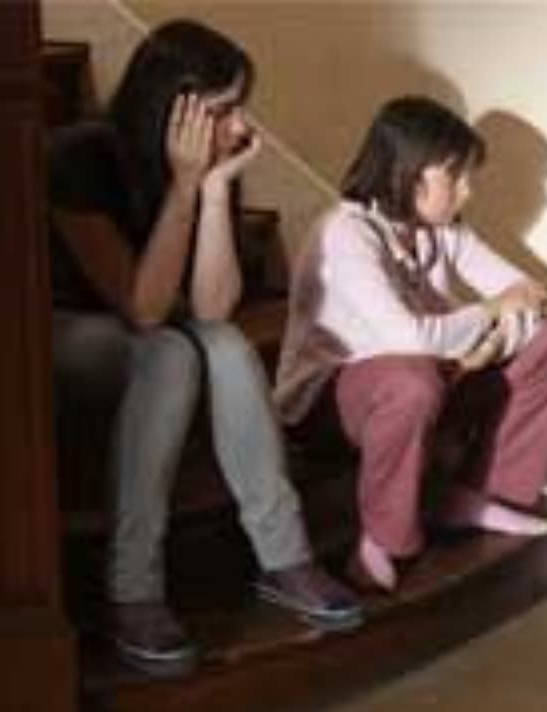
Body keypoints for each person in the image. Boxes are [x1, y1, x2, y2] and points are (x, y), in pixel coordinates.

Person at [47, 20, 361, 676]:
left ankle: (285, 557)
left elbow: (214, 309)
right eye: (223, 109)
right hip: (64, 331)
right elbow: (142, 308)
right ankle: (132, 587)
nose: (241, 126)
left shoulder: (211, 166)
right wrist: (186, 188)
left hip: (159, 335)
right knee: (168, 351)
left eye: (240, 106)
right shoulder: (82, 157)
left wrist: (214, 192)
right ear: (171, 105)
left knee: (224, 344)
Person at [274, 96, 547, 592]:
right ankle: (383, 537)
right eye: (454, 176)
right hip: (326, 406)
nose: (466, 191)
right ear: (407, 171)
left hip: (426, 376)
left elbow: (531, 299)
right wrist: (487, 316)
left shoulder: (441, 232)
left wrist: (482, 350)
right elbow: (410, 338)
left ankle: (475, 494)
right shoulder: (346, 233)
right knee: (412, 380)